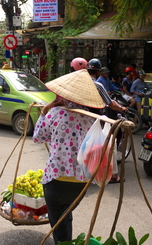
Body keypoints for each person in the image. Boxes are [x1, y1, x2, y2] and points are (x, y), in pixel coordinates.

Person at [33, 69, 104, 244]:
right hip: (81, 183)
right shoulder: (91, 119)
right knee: (66, 215)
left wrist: (45, 110)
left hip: (56, 180)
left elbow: (38, 137)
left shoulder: (55, 114)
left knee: (58, 227)